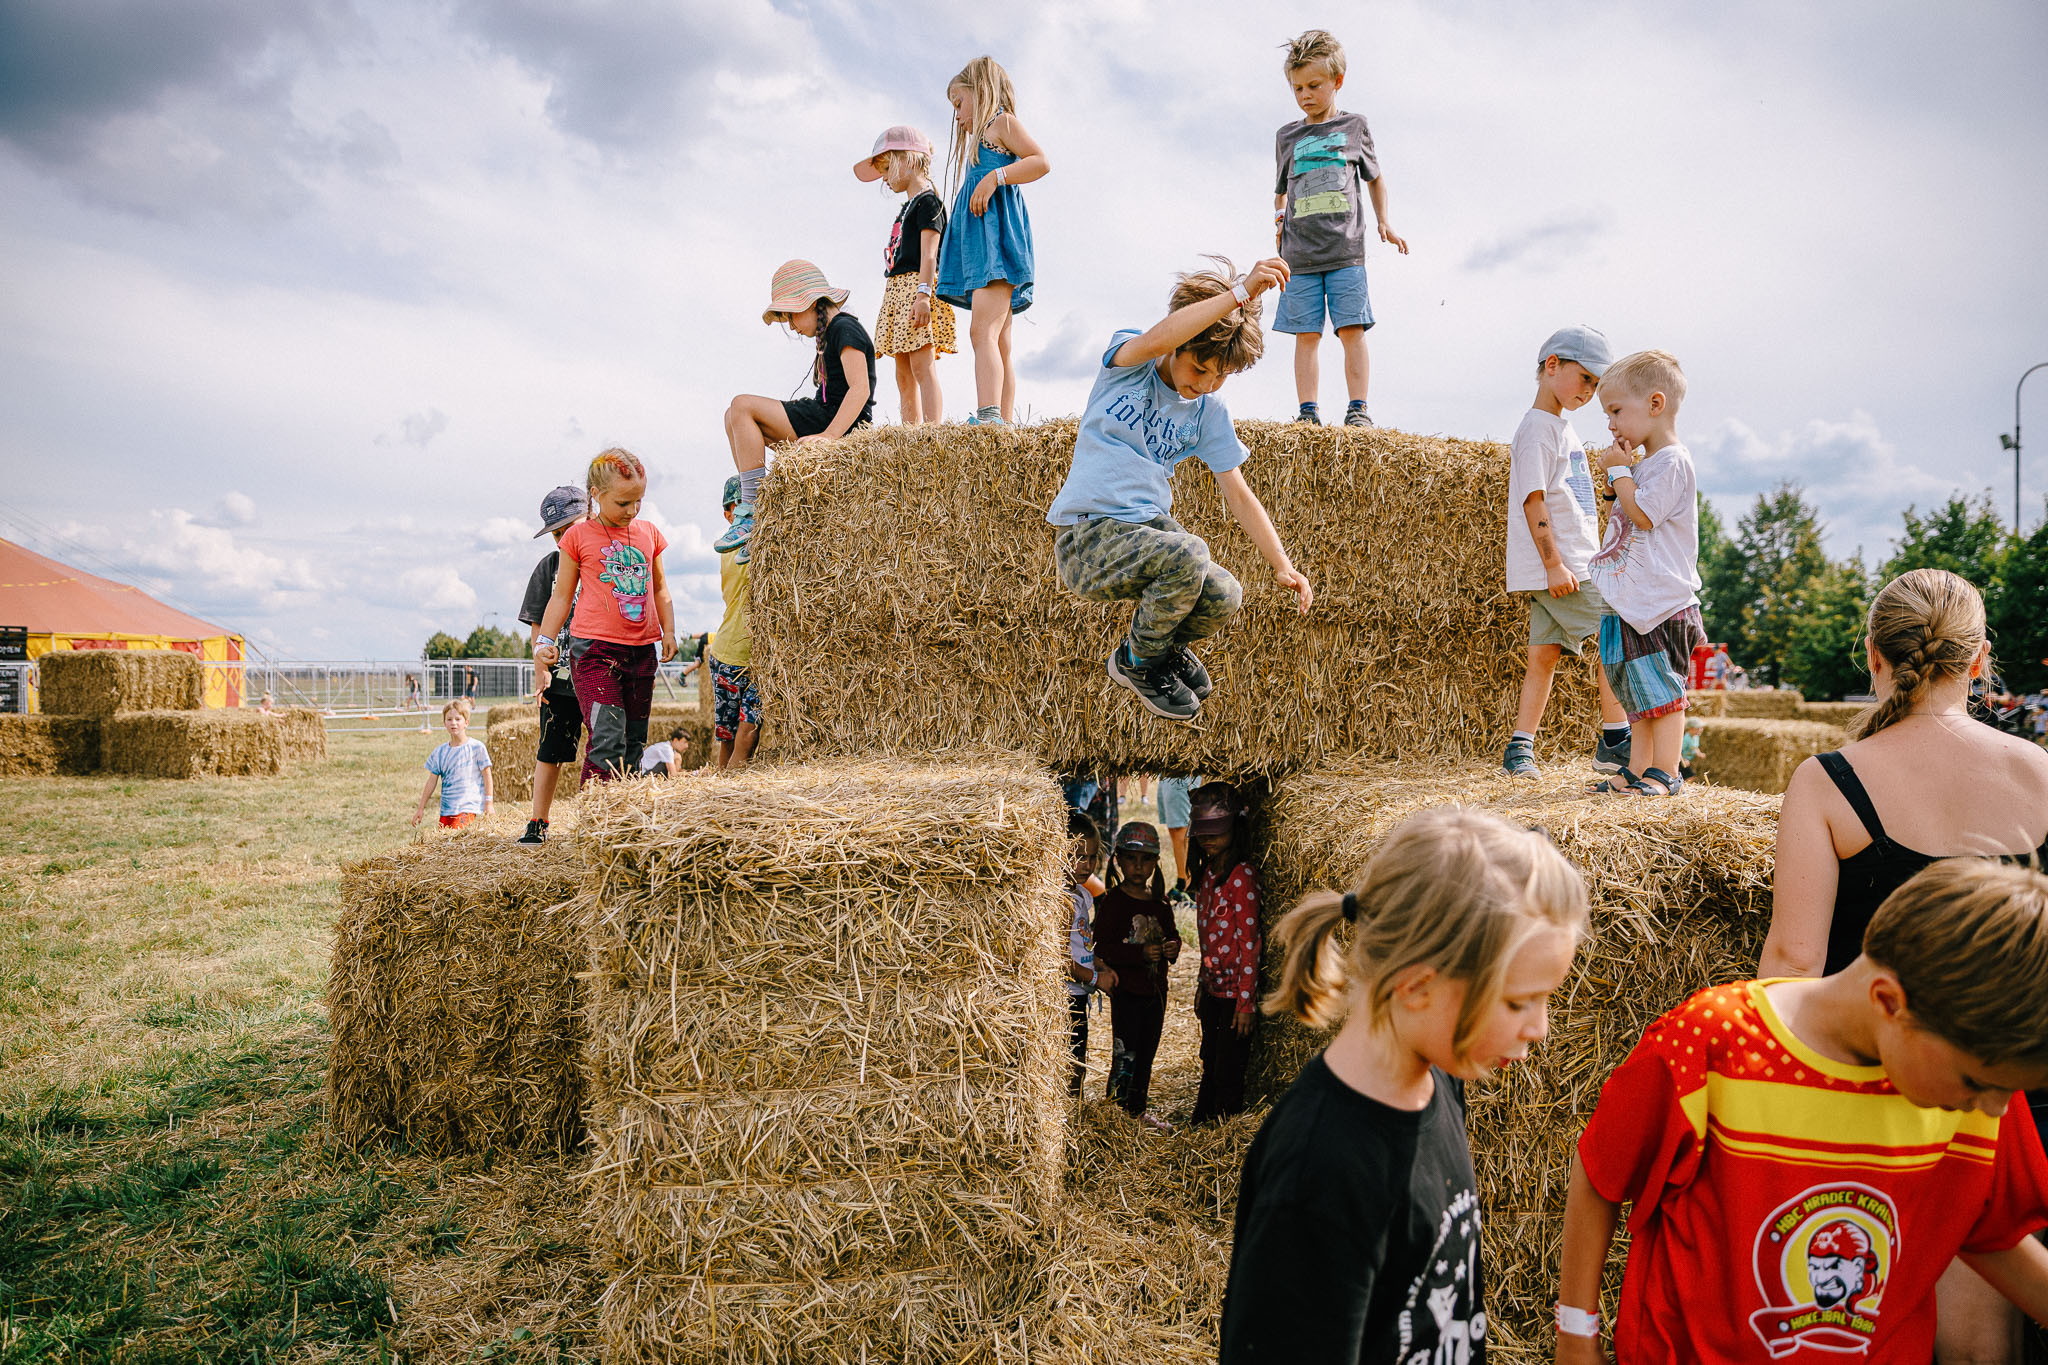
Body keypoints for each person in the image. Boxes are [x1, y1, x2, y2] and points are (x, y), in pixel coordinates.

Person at [1556, 859, 2048, 1363]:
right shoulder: (1710, 1044)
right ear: (1890, 1003)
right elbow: (1603, 1172)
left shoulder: (1982, 1095)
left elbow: (1994, 1236)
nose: (1996, 1107)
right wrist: (1575, 1337)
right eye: (1977, 1082)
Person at [1759, 568, 2048, 1360]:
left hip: (1869, 1099)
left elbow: (1791, 958)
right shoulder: (2041, 774)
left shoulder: (1829, 782)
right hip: (2009, 1098)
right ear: (1980, 660)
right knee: (1984, 1339)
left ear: (1873, 657)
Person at [1219, 807, 1587, 1360]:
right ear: (1417, 988)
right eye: (1518, 1001)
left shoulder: (1438, 1082)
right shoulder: (1321, 1172)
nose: (1541, 1027)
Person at [1046, 257, 1314, 723]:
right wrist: (1240, 293)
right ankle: (1139, 663)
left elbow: (1239, 492)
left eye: (1220, 376)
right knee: (1190, 552)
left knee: (1225, 592)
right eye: (1199, 368)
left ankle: (1158, 649)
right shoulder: (1131, 364)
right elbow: (1162, 336)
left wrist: (1283, 564)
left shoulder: (1208, 412)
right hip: (1088, 538)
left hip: (1146, 532)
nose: (1205, 384)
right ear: (1178, 348)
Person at [1501, 325, 1634, 779]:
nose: (1590, 392)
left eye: (1597, 386)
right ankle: (1616, 738)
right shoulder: (1539, 428)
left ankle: (1520, 749)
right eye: (1586, 379)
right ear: (1552, 365)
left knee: (1544, 656)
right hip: (1565, 567)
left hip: (1570, 565)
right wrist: (1554, 563)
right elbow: (1533, 499)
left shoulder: (1561, 428)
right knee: (1618, 633)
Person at [1272, 29, 1408, 429]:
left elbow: (1375, 178)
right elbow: (1280, 192)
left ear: (1337, 81)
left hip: (1345, 250)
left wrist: (1384, 221)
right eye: (1297, 88)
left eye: (1314, 85)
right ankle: (1308, 412)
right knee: (1306, 335)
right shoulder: (1287, 137)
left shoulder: (1354, 127)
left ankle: (1358, 409)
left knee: (1351, 329)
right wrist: (1278, 221)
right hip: (1298, 256)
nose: (1305, 95)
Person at [1585, 350, 1702, 796]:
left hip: (1662, 602)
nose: (1610, 424)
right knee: (1634, 691)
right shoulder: (1644, 466)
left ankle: (1667, 771)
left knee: (1661, 688)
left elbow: (1645, 517)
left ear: (1656, 404)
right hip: (1631, 601)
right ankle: (1638, 767)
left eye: (1616, 411)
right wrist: (1620, 477)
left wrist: (1618, 472)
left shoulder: (1672, 461)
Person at [715, 260, 875, 563]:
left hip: (838, 423)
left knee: (742, 405)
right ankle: (757, 515)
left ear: (811, 302)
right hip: (823, 414)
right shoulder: (830, 333)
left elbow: (860, 390)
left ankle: (751, 510)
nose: (790, 324)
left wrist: (828, 436)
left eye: (791, 315)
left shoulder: (845, 327)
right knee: (731, 415)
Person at [532, 449, 675, 784]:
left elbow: (660, 589)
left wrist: (668, 631)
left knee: (633, 744)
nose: (632, 511)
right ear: (595, 496)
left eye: (638, 501)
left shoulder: (649, 533)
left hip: (642, 652)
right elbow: (562, 596)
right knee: (607, 738)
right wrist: (544, 640)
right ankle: (597, 823)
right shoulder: (577, 537)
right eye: (622, 503)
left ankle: (624, 824)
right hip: (595, 652)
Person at [935, 55, 1047, 426]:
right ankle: (1002, 422)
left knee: (982, 331)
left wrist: (994, 178)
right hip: (983, 249)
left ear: (979, 91)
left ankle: (989, 419)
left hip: (996, 248)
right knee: (999, 341)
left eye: (958, 103)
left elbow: (1040, 162)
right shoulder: (983, 137)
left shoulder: (1000, 123)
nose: (957, 115)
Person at [1088, 821, 1183, 1130]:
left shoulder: (1160, 902)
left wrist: (1172, 948)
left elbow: (1174, 935)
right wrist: (1138, 954)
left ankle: (1137, 1111)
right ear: (1118, 860)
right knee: (1124, 1054)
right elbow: (1101, 947)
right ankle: (1115, 1113)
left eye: (1146, 860)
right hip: (1127, 993)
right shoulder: (1114, 902)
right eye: (1131, 858)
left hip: (1155, 993)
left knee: (1146, 1053)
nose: (1138, 866)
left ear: (1156, 862)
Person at [856, 126, 953, 425]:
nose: (884, 177)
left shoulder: (929, 203)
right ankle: (910, 434)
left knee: (922, 365)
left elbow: (929, 255)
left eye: (887, 168)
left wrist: (923, 294)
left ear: (908, 160)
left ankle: (932, 430)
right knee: (902, 373)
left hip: (916, 287)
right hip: (897, 290)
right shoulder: (907, 207)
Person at [516, 484, 587, 846]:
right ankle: (538, 821)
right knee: (550, 750)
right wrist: (540, 668)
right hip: (560, 678)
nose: (562, 539)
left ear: (588, 516)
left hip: (597, 671)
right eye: (556, 534)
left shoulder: (603, 558)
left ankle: (603, 819)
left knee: (604, 748)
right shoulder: (549, 567)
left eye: (567, 529)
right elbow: (536, 624)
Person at [1185, 784, 1260, 1123]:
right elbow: (1206, 941)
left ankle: (1222, 1130)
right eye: (1202, 833)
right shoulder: (1208, 875)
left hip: (1234, 998)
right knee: (1210, 1060)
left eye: (1216, 833)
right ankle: (1203, 1125)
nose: (1207, 840)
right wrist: (1203, 984)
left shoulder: (1240, 876)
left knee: (1228, 1070)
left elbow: (1250, 943)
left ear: (1234, 828)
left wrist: (1245, 1003)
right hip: (1214, 991)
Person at [708, 477, 762, 771]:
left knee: (736, 736)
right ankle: (727, 800)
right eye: (741, 506)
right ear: (729, 513)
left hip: (735, 653)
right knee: (739, 738)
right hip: (738, 656)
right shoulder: (736, 548)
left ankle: (723, 789)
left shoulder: (733, 545)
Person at [1064, 810, 1117, 1097]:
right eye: (1078, 856)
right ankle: (1069, 1114)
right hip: (1067, 995)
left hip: (1080, 991)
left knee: (1080, 1059)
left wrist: (1096, 959)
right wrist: (1095, 977)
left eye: (1093, 857)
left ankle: (1076, 1109)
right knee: (1071, 1062)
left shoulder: (1083, 895)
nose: (1087, 865)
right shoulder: (1062, 901)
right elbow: (1059, 960)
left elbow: (1081, 941)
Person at [412, 699, 492, 829]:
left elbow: (487, 775)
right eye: (449, 719)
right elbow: (432, 781)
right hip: (447, 809)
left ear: (466, 722)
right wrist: (421, 808)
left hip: (468, 807)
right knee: (445, 844)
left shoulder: (477, 748)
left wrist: (489, 803)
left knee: (457, 840)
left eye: (457, 719)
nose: (453, 723)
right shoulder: (440, 752)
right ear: (444, 723)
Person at [1156, 774, 1196, 897]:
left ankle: (1191, 887)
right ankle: (1182, 881)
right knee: (1174, 831)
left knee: (1182, 832)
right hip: (1167, 776)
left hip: (1181, 776)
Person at [1679, 714, 1701, 781]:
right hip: (1682, 761)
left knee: (1687, 777)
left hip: (1687, 760)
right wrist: (1684, 760)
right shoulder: (1686, 739)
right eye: (1697, 728)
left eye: (1701, 728)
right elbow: (1679, 751)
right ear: (1690, 729)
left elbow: (1695, 747)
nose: (1700, 730)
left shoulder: (1696, 737)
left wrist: (1699, 753)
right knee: (1690, 777)